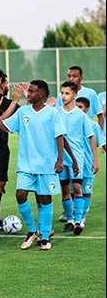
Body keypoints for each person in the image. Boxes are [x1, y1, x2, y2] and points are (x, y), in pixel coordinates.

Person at [0, 80, 67, 251]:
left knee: (44, 199)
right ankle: (32, 231)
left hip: (46, 165)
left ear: (41, 94)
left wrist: (59, 160)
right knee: (20, 194)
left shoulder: (52, 113)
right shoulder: (23, 112)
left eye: (32, 91)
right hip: (26, 165)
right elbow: (3, 127)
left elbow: (60, 136)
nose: (28, 94)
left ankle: (44, 236)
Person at [56, 81, 97, 235]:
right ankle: (70, 220)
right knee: (65, 189)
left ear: (75, 95)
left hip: (77, 158)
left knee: (78, 188)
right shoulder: (57, 113)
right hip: (61, 157)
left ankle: (79, 220)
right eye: (62, 93)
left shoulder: (81, 115)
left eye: (67, 93)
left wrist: (94, 159)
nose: (64, 96)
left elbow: (91, 136)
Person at [0, 74, 22, 230]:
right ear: (0, 82)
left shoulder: (4, 101)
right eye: (7, 82)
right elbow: (0, 121)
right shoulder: (1, 102)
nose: (9, 86)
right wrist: (15, 101)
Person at [75, 96, 105, 229]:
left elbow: (102, 143)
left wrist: (95, 161)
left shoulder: (93, 125)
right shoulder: (71, 124)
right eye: (76, 107)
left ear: (87, 109)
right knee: (74, 190)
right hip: (74, 163)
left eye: (80, 107)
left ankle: (81, 218)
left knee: (86, 191)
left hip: (87, 164)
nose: (77, 109)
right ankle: (75, 218)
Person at [56, 66, 104, 131]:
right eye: (69, 76)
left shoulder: (91, 93)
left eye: (74, 76)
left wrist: (99, 133)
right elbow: (57, 117)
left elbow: (100, 115)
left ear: (81, 78)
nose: (71, 79)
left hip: (87, 134)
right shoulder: (61, 96)